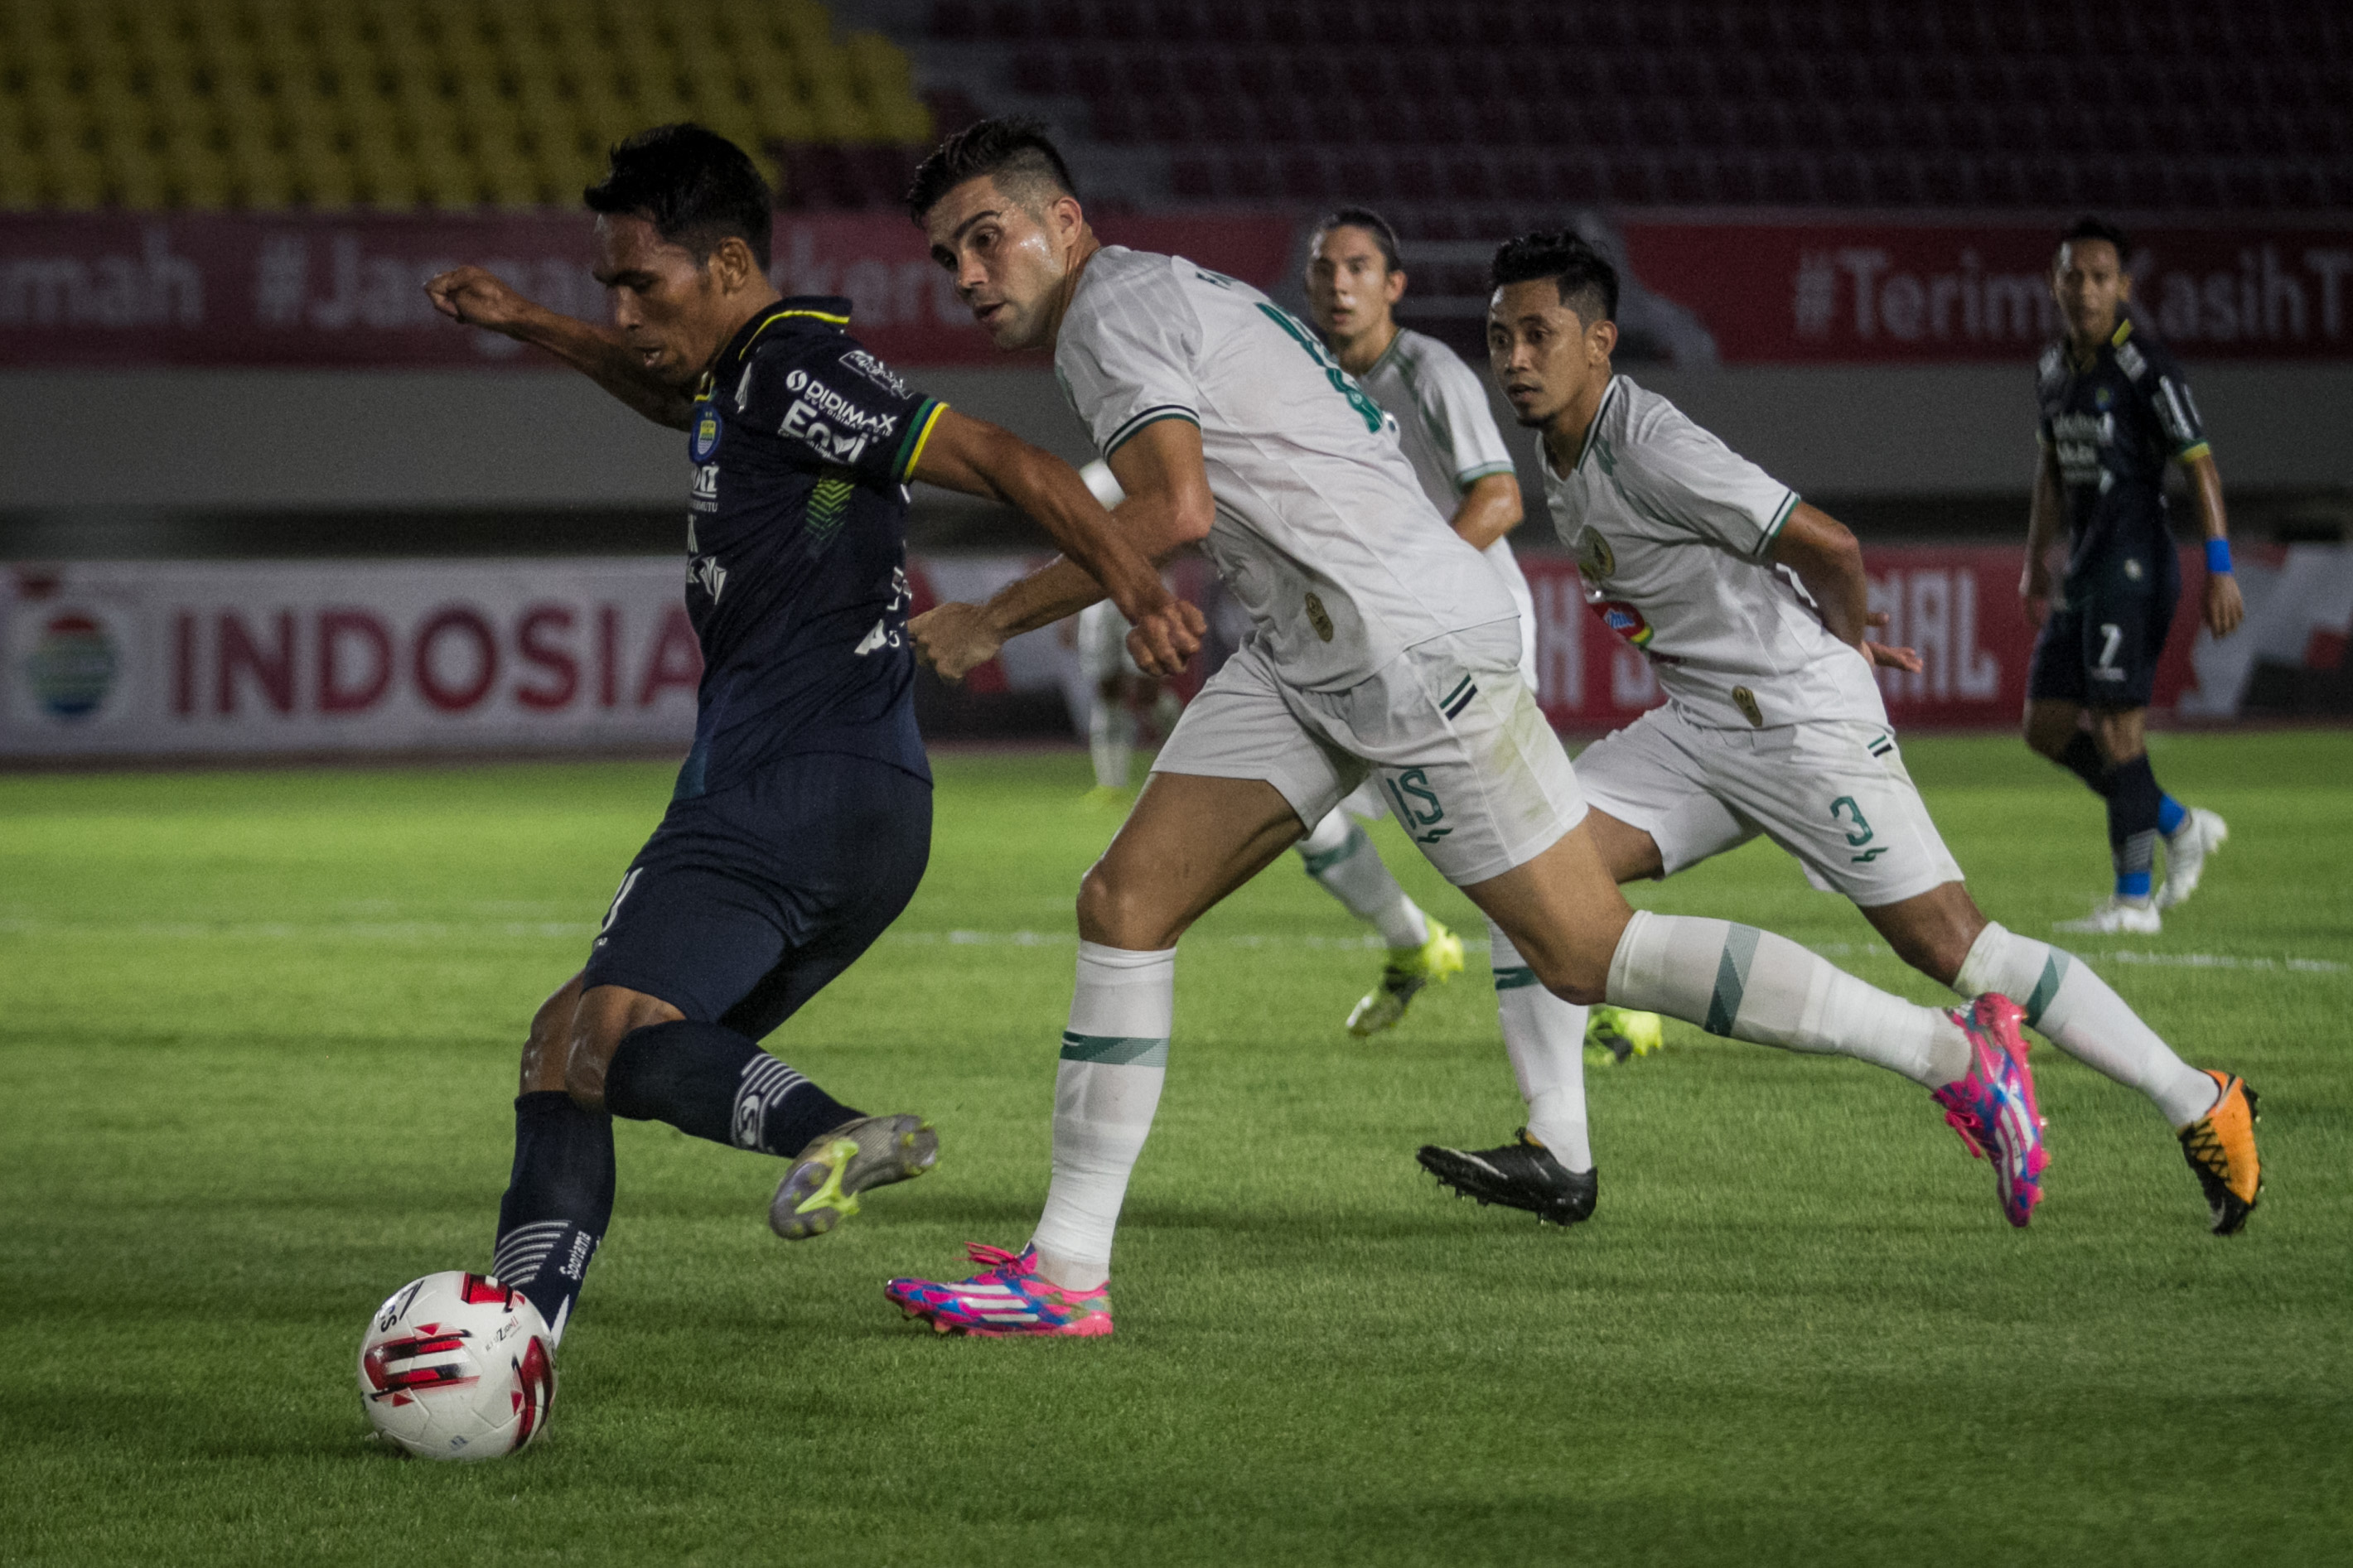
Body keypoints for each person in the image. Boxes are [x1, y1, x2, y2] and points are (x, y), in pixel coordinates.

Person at [879, 119, 2052, 1339]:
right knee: (1124, 904)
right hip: (1308, 650)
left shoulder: (1112, 313)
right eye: (946, 256)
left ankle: (1959, 1059)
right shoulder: (1141, 296)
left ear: (1063, 223)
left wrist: (994, 616)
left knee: (1583, 952)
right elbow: (1192, 494)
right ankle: (1065, 1275)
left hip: (1400, 649)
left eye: (985, 239)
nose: (967, 274)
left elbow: (1176, 503)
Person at [418, 123, 1200, 1346]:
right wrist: (529, 321)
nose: (623, 310)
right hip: (853, 804)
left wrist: (1139, 587)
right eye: (609, 288)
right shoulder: (746, 383)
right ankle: (519, 1335)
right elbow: (672, 394)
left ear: (727, 264)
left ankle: (820, 1134)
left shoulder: (795, 371)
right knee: (574, 1046)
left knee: (605, 1037)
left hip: (781, 788)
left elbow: (1001, 457)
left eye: (642, 284)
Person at [1428, 229, 2259, 1238]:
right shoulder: (1562, 446)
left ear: (1598, 341)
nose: (1513, 358)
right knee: (1532, 881)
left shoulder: (1646, 442)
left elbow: (1826, 541)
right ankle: (1558, 1149)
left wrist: (1847, 647)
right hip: (1701, 727)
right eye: (1498, 338)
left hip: (1798, 720)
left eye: (1536, 335)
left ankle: (2196, 1098)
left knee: (1959, 950)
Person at [1297, 206, 1661, 1056]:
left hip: (1465, 628)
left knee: (1513, 836)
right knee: (1301, 807)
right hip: (1372, 642)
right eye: (1324, 269)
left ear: (1393, 285)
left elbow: (1498, 498)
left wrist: (1404, 583)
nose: (1338, 283)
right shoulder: (1312, 376)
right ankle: (1411, 942)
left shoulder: (1428, 373)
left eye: (1357, 267)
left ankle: (1620, 987)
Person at [2023, 216, 2241, 934]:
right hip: (2083, 569)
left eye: (2099, 277)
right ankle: (2177, 823)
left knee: (2121, 731)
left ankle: (2132, 901)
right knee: (2047, 727)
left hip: (2136, 566)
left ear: (2124, 287)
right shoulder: (2053, 371)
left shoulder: (2147, 366)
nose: (2085, 290)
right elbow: (2052, 470)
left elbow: (2199, 462)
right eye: (2073, 276)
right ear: (2055, 284)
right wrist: (2034, 562)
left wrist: (2219, 567)